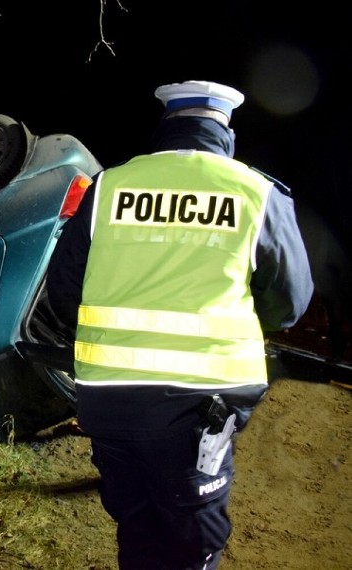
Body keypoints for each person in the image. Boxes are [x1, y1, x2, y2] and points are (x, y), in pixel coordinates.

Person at [46, 80, 314, 569]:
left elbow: (63, 290)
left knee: (138, 532)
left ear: (166, 124)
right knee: (193, 543)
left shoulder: (110, 186)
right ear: (224, 129)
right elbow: (290, 304)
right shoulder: (256, 192)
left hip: (108, 400)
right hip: (198, 405)